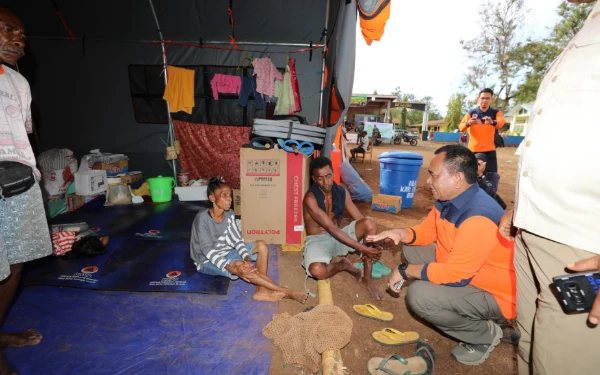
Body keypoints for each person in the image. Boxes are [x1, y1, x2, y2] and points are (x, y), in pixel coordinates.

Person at [499, 2, 600, 374]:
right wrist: (521, 204)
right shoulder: (590, 22)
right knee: (531, 347)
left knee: (562, 362)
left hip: (581, 241)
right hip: (536, 227)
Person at [368, 145, 516, 366]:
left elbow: (457, 275)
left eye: (433, 175)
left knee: (420, 296)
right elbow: (428, 232)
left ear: (457, 179)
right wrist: (402, 232)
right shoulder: (449, 198)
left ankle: (485, 334)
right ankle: (466, 310)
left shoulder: (478, 217)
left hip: (493, 290)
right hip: (469, 271)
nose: (428, 181)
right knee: (410, 248)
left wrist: (405, 271)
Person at [0, 7, 54, 374]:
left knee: (15, 264)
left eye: (21, 35)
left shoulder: (19, 83)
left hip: (19, 180)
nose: (19, 40)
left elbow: (23, 136)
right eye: (8, 30)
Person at [190, 178, 308, 304]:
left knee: (261, 245)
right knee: (239, 266)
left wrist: (247, 259)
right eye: (224, 195)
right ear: (212, 198)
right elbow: (208, 251)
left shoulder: (229, 213)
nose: (229, 199)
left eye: (229, 195)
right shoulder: (202, 219)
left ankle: (261, 290)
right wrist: (232, 269)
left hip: (226, 252)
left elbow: (237, 240)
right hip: (207, 261)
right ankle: (287, 292)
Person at [302, 157, 383, 300]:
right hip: (317, 241)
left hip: (338, 238)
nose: (326, 182)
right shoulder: (310, 198)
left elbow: (359, 218)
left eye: (328, 176)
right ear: (314, 179)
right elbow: (330, 227)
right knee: (317, 270)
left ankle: (367, 279)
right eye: (320, 178)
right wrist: (363, 248)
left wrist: (375, 238)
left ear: (333, 173)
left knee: (369, 223)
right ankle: (343, 265)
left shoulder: (342, 192)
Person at [458, 88, 506, 188]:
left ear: (491, 100)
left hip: (490, 151)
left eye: (487, 98)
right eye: (482, 98)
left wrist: (492, 122)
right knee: (470, 175)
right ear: (478, 99)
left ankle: (489, 197)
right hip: (473, 150)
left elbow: (501, 123)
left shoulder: (495, 112)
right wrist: (468, 123)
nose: (484, 100)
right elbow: (461, 127)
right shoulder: (471, 113)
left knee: (491, 176)